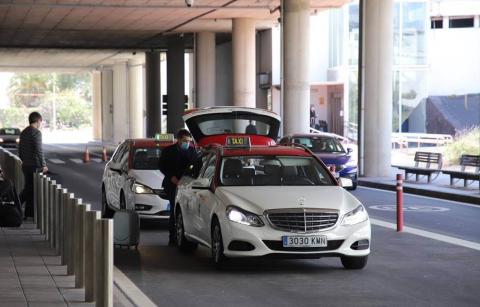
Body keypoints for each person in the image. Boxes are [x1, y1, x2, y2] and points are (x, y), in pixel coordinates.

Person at [159, 129, 198, 246]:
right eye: (185, 141)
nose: (187, 143)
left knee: (186, 211)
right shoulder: (168, 151)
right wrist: (171, 177)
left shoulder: (192, 151)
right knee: (174, 211)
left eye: (189, 141)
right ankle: (173, 237)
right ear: (179, 140)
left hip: (187, 186)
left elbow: (196, 166)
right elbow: (161, 165)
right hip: (172, 185)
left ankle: (186, 236)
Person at [18, 112, 48, 219]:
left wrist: (24, 160)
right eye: (40, 121)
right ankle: (16, 204)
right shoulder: (36, 133)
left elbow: (20, 150)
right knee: (29, 190)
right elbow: (39, 150)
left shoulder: (24, 132)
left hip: (25, 165)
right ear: (38, 120)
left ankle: (28, 214)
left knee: (30, 189)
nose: (40, 123)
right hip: (33, 165)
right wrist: (43, 165)